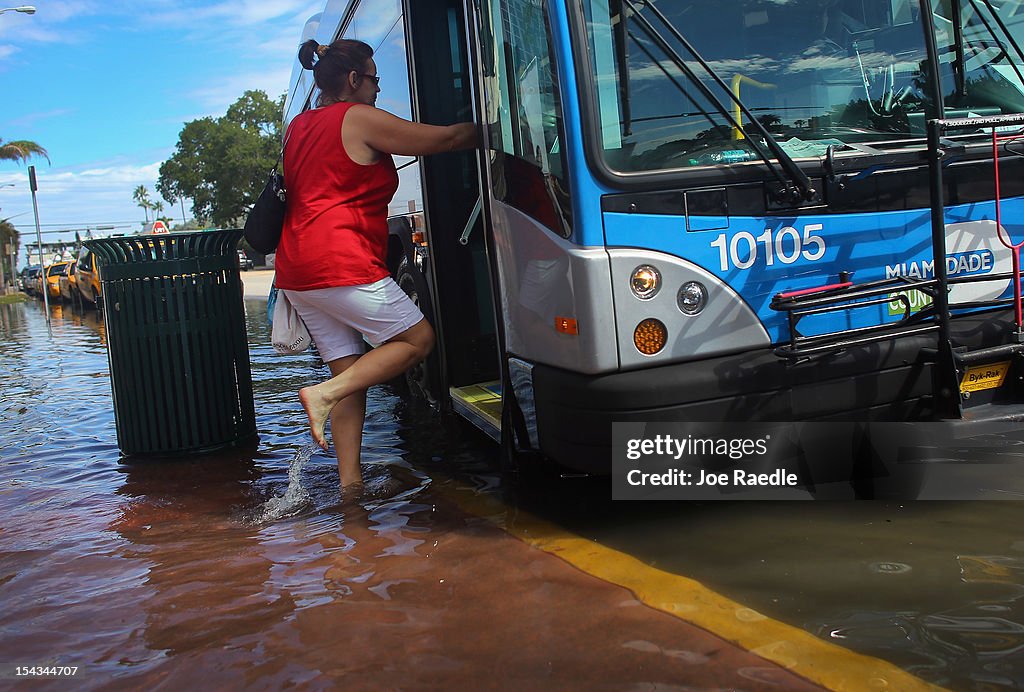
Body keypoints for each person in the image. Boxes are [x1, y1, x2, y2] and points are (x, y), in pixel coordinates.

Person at [275, 38, 478, 490]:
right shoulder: (358, 118)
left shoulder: (296, 127)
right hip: (338, 262)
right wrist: (497, 129)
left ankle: (351, 488)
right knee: (418, 339)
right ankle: (320, 396)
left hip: (297, 270)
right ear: (353, 80)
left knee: (350, 377)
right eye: (374, 79)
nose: (378, 89)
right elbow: (442, 140)